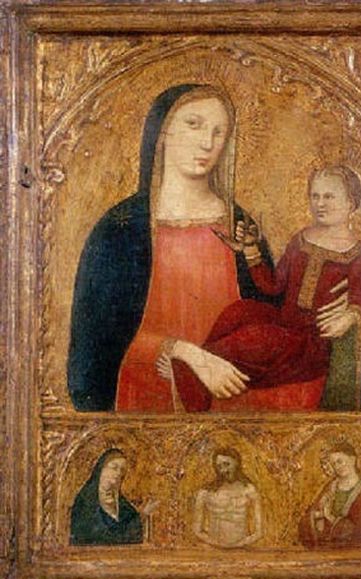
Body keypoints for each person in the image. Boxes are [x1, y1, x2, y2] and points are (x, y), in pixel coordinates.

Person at [67, 84, 276, 412]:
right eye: (194, 125)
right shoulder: (121, 227)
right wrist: (185, 352)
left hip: (227, 398)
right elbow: (100, 338)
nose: (207, 143)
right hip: (145, 393)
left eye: (219, 132)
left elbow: (270, 324)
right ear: (162, 132)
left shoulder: (241, 227)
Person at [172, 165, 361, 410]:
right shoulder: (301, 240)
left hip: (311, 343)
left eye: (329, 197)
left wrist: (350, 315)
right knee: (239, 311)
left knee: (257, 338)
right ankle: (202, 365)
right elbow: (273, 287)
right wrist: (251, 249)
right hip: (283, 321)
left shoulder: (356, 254)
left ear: (351, 203)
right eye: (315, 196)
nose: (320, 203)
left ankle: (195, 375)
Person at [298, 441, 361, 549]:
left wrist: (330, 518)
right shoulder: (332, 485)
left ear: (352, 460)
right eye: (333, 464)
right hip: (326, 547)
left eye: (340, 461)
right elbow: (313, 511)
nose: (337, 467)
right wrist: (316, 516)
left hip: (354, 550)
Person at [70, 449, 157, 545]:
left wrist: (143, 516)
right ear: (101, 469)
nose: (118, 473)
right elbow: (92, 535)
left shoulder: (123, 505)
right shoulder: (85, 501)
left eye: (122, 470)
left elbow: (131, 528)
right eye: (114, 467)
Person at [193, 447, 262, 548]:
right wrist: (218, 545)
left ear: (237, 463)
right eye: (219, 466)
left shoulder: (249, 490)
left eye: (227, 464)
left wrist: (240, 544)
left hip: (242, 549)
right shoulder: (205, 493)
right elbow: (197, 530)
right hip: (214, 549)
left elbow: (259, 532)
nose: (223, 470)